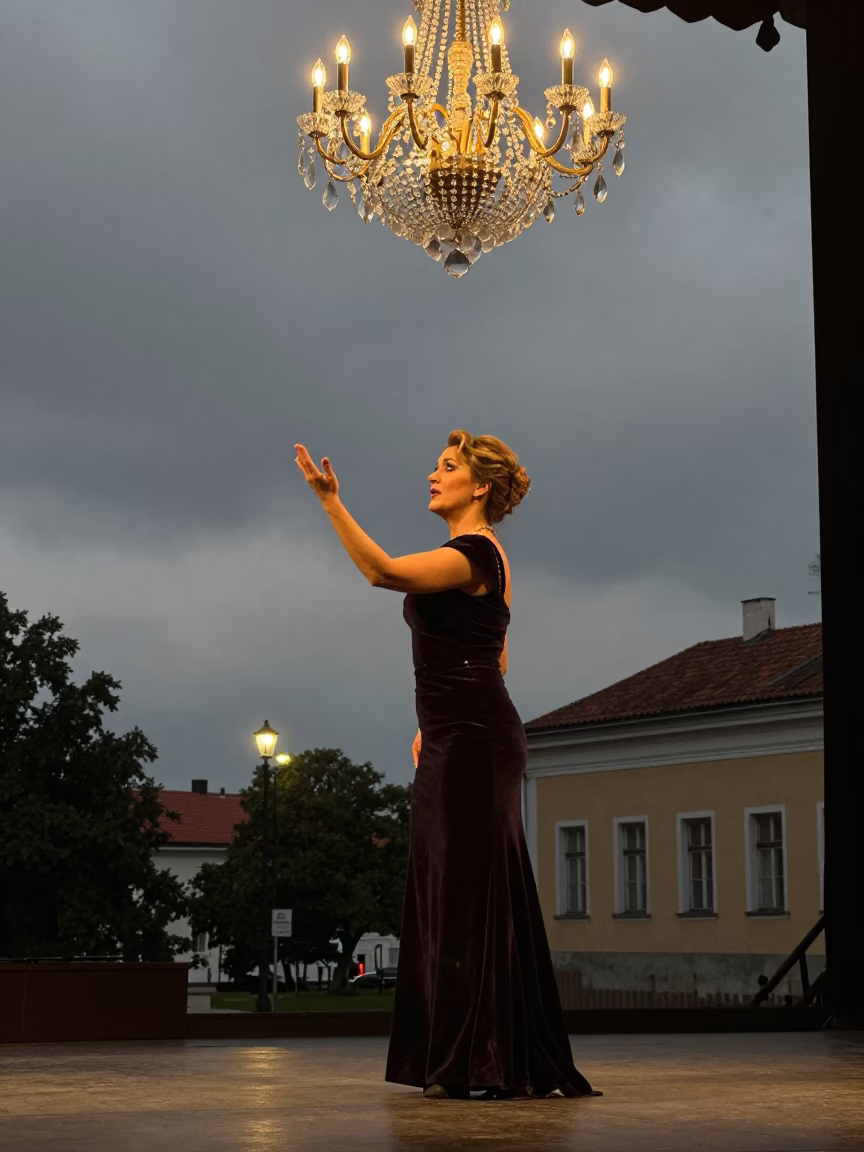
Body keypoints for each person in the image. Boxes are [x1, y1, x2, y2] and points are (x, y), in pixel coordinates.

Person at [294, 430, 600, 1101]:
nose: (433, 475)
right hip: (459, 736)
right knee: (450, 894)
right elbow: (498, 659)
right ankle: (468, 1056)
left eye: (449, 466)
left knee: (466, 896)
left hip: (474, 742)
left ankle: (481, 1059)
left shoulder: (473, 554)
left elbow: (381, 572)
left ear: (480, 487)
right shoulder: (479, 560)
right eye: (436, 464)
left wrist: (330, 503)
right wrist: (429, 723)